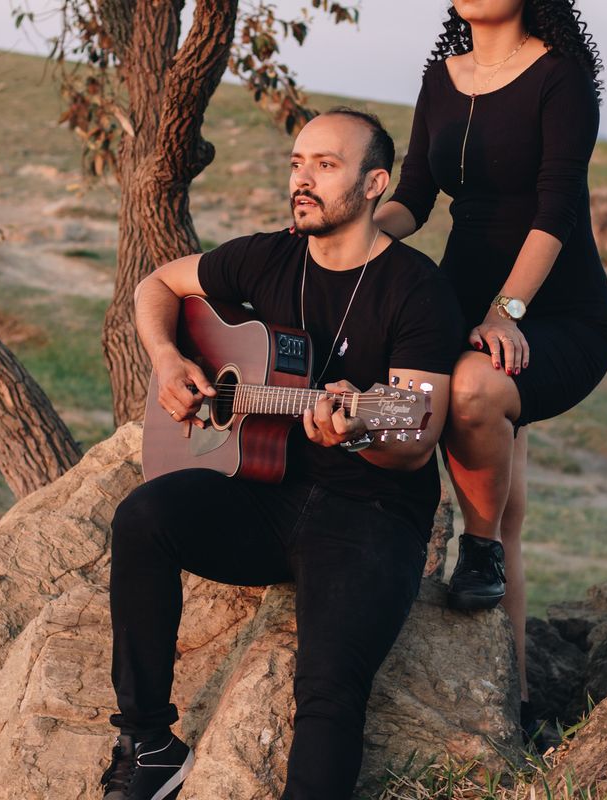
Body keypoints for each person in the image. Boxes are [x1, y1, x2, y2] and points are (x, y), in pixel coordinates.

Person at [99, 107, 464, 800]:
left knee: (327, 689)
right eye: (298, 162)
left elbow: (415, 437)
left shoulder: (417, 289)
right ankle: (147, 742)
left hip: (370, 514)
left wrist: (358, 430)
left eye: (326, 165)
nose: (302, 178)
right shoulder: (268, 257)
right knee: (142, 518)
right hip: (261, 492)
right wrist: (170, 358)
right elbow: (157, 284)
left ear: (374, 185)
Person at [374, 0, 607, 733]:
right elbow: (414, 197)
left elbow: (556, 212)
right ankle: (512, 708)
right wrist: (349, 224)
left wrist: (503, 313)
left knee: (478, 394)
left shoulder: (560, 77)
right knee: (504, 503)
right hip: (461, 298)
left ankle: (475, 552)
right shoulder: (440, 77)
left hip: (553, 310)